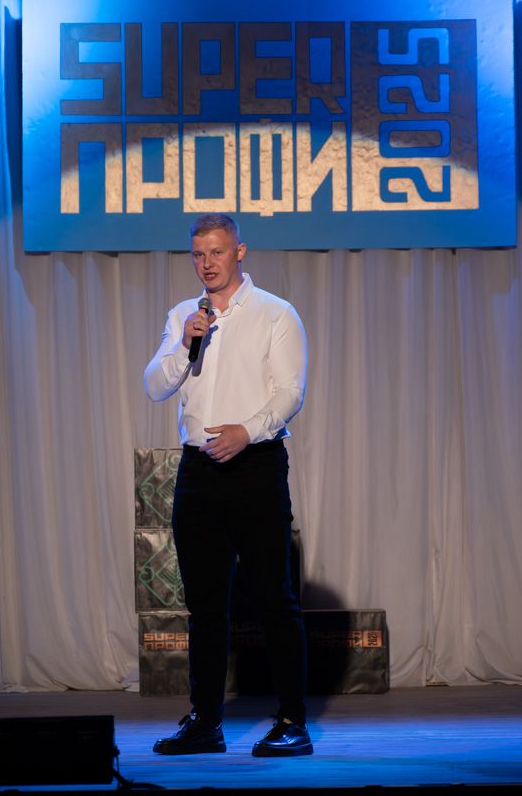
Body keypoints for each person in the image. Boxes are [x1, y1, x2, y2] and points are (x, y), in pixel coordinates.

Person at [143, 213, 311, 757]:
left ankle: (292, 720)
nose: (207, 263)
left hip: (255, 466)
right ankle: (205, 722)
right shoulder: (182, 316)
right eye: (198, 254)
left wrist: (247, 431)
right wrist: (184, 344)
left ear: (240, 251)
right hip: (198, 471)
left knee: (273, 599)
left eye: (216, 252)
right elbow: (155, 385)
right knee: (205, 604)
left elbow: (289, 392)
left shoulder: (275, 313)